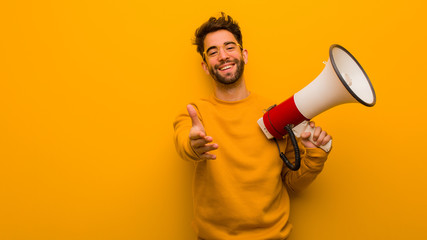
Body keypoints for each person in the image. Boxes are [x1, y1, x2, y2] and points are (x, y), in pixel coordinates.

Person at [173, 13, 332, 240]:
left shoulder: (274, 113)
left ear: (243, 55)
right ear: (205, 66)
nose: (223, 56)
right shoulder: (195, 113)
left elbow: (293, 184)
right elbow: (183, 141)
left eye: (230, 47)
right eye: (213, 51)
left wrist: (315, 156)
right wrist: (194, 145)